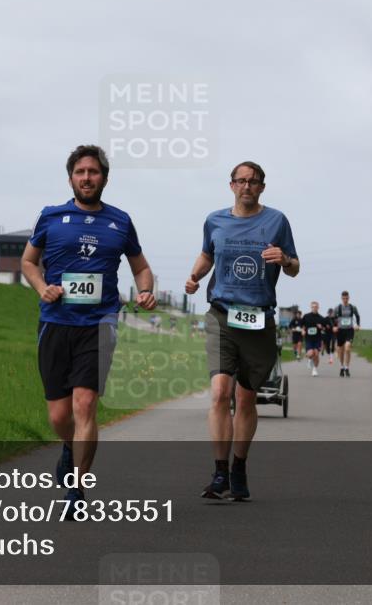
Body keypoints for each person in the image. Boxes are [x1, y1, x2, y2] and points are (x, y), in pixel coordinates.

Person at [22, 144, 157, 506]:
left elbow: (141, 267)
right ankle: (68, 444)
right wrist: (42, 287)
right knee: (59, 414)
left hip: (100, 322)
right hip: (56, 321)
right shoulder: (50, 217)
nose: (87, 178)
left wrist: (145, 291)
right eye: (80, 172)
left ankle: (77, 490)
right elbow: (29, 263)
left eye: (93, 172)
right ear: (71, 178)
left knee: (84, 405)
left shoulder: (120, 221)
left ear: (105, 178)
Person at [185, 161, 299, 501]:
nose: (247, 186)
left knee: (246, 399)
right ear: (231, 185)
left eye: (253, 182)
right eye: (241, 181)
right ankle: (219, 472)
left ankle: (238, 466)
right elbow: (207, 254)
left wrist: (285, 260)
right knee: (221, 393)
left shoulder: (276, 221)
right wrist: (194, 277)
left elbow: (294, 267)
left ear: (262, 187)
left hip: (258, 318)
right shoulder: (214, 220)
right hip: (221, 314)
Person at [332, 291, 361, 377]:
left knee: (347, 348)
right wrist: (334, 326)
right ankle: (342, 367)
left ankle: (347, 367)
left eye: (346, 298)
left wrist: (358, 325)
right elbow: (332, 318)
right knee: (341, 350)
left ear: (349, 298)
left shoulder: (352, 307)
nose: (345, 300)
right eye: (343, 298)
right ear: (341, 298)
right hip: (340, 330)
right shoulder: (338, 308)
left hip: (349, 330)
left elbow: (357, 316)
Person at [301, 301, 326, 377]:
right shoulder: (306, 316)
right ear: (311, 307)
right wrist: (302, 331)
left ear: (318, 308)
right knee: (310, 354)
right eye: (313, 307)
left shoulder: (321, 318)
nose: (314, 308)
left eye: (316, 307)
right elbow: (302, 325)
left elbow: (325, 329)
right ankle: (309, 359)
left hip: (317, 339)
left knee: (316, 354)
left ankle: (314, 369)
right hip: (309, 339)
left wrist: (321, 327)